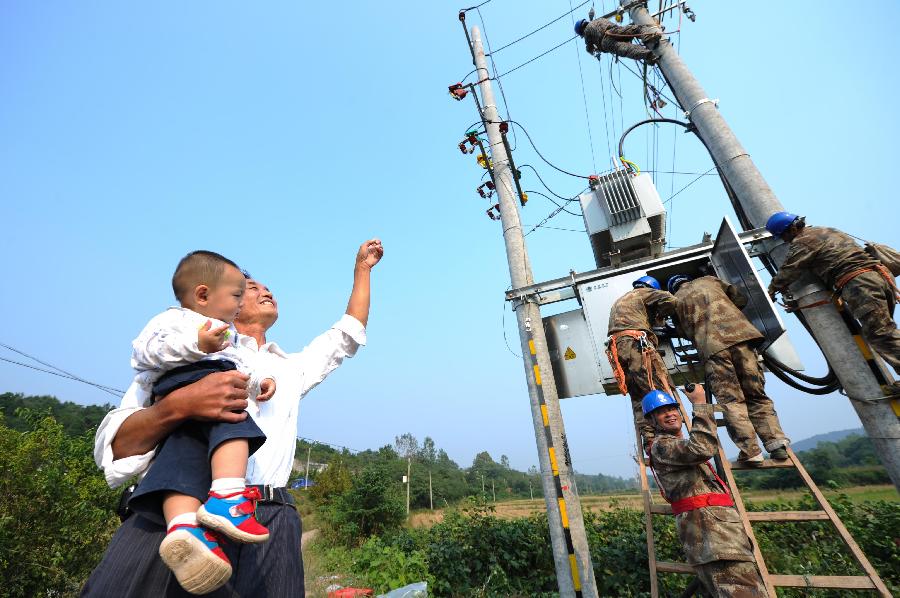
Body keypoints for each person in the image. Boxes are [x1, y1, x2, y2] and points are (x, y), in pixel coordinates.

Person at [83, 238, 384, 597]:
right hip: (177, 516)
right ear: (225, 301)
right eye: (250, 288)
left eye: (267, 288)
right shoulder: (185, 354)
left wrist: (362, 270)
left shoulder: (289, 369)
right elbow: (115, 450)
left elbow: (347, 334)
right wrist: (180, 406)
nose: (264, 291)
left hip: (269, 520)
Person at [121, 250, 276, 594]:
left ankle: (182, 528)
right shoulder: (174, 321)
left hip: (186, 416)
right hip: (185, 383)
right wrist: (196, 343)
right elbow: (144, 352)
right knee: (236, 422)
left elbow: (237, 364)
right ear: (203, 295)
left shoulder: (227, 336)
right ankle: (227, 494)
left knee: (180, 463)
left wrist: (256, 383)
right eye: (237, 294)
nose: (239, 303)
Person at [643, 387, 768, 597]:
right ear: (653, 421)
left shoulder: (675, 445)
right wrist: (700, 405)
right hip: (716, 540)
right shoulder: (662, 447)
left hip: (719, 538)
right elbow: (701, 448)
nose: (671, 413)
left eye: (673, 408)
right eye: (662, 411)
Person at [667, 274, 789, 464]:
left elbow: (682, 331)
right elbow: (740, 298)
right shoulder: (710, 280)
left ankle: (751, 451)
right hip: (743, 339)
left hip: (713, 348)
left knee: (731, 400)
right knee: (756, 394)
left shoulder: (675, 301)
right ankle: (777, 444)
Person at [765, 211, 900, 378]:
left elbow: (790, 269)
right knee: (884, 330)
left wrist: (770, 290)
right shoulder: (827, 230)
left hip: (859, 284)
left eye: (783, 237)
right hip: (878, 278)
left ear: (790, 230)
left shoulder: (804, 241)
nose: (785, 241)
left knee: (880, 332)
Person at [606, 275, 677, 449]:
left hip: (618, 348)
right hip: (636, 344)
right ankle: (668, 438)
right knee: (657, 388)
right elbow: (671, 300)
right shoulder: (644, 293)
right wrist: (661, 314)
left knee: (639, 394)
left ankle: (650, 438)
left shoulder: (621, 300)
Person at [575, 17, 661, 62]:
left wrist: (594, 50)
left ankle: (649, 56)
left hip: (605, 42)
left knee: (625, 49)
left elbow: (588, 48)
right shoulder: (599, 20)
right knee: (635, 29)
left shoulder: (586, 32)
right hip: (614, 30)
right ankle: (649, 37)